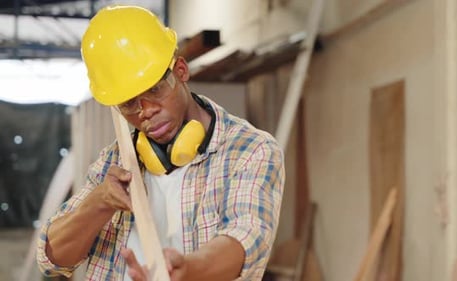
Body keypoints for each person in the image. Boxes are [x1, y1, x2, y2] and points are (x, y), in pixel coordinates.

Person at [36, 4, 285, 281]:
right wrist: (100, 202)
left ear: (180, 70)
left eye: (155, 89)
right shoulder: (115, 161)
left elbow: (246, 241)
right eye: (129, 104)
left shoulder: (250, 150)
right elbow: (52, 259)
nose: (146, 111)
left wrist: (187, 270)